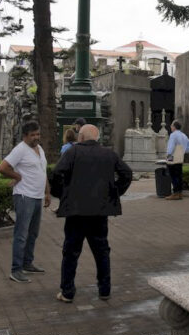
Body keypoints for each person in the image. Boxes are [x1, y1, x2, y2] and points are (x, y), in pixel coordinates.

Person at [51, 124, 133, 303]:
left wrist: (63, 194)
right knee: (102, 251)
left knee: (71, 252)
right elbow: (127, 173)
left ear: (80, 137)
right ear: (97, 138)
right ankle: (104, 290)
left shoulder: (72, 153)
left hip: (76, 212)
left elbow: (56, 173)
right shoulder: (108, 153)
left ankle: (67, 291)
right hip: (99, 212)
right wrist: (114, 192)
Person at [0, 121, 51, 283]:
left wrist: (47, 192)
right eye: (33, 135)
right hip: (24, 196)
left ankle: (27, 263)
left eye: (38, 134)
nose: (36, 137)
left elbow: (43, 171)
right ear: (25, 136)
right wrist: (17, 176)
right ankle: (16, 270)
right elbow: (2, 167)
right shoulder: (20, 149)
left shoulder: (39, 149)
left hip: (37, 197)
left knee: (33, 233)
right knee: (21, 234)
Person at [165, 120, 189, 200]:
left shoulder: (173, 135)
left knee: (173, 175)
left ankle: (175, 193)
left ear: (174, 127)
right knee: (179, 175)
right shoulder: (183, 135)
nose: (170, 127)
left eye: (171, 125)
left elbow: (170, 148)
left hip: (173, 156)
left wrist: (168, 155)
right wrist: (184, 150)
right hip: (180, 156)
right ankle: (180, 193)